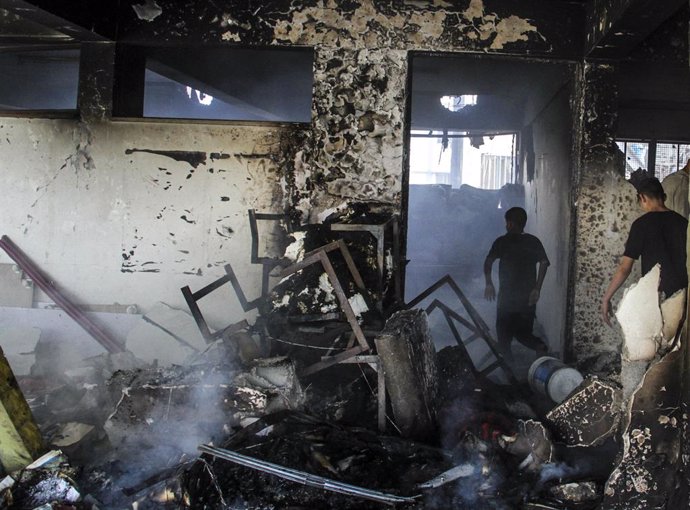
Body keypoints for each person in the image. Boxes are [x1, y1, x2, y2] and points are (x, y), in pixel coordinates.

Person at [601, 177, 688, 326]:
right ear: (664, 197)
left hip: (655, 296)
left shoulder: (641, 225)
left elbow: (624, 268)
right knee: (679, 343)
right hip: (683, 295)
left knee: (654, 343)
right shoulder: (683, 223)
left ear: (642, 197)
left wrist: (606, 298)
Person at [484, 207, 550, 360]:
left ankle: (510, 372)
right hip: (527, 299)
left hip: (506, 299)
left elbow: (488, 261)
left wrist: (489, 283)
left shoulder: (502, 241)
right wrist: (537, 289)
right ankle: (540, 350)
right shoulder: (533, 241)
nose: (506, 225)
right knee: (523, 334)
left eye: (507, 222)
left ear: (511, 224)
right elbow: (544, 263)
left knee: (503, 336)